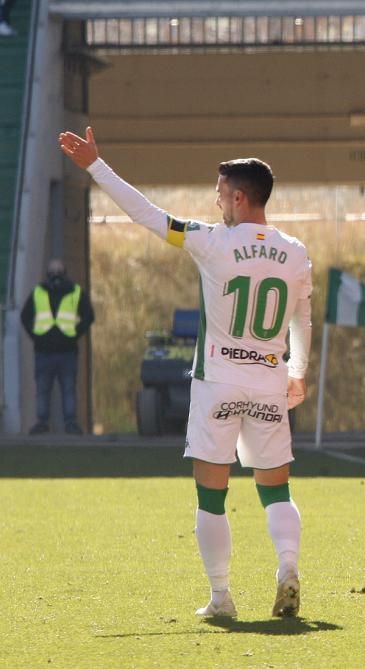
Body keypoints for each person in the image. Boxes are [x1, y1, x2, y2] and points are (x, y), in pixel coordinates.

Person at [59, 127, 313, 619]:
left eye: (220, 194)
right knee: (276, 487)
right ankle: (287, 569)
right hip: (268, 382)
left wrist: (95, 166)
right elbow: (301, 317)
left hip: (217, 383)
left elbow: (146, 215)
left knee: (211, 493)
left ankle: (221, 598)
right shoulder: (296, 251)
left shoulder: (210, 241)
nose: (216, 203)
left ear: (239, 197)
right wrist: (298, 372)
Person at [20, 258, 95, 435]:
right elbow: (25, 316)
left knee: (68, 388)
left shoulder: (75, 291)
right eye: (52, 272)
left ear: (65, 273)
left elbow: (89, 315)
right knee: (43, 389)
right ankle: (42, 422)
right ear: (47, 274)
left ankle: (70, 423)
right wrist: (36, 336)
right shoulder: (38, 292)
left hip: (67, 352)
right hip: (44, 352)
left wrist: (74, 333)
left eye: (58, 271)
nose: (55, 276)